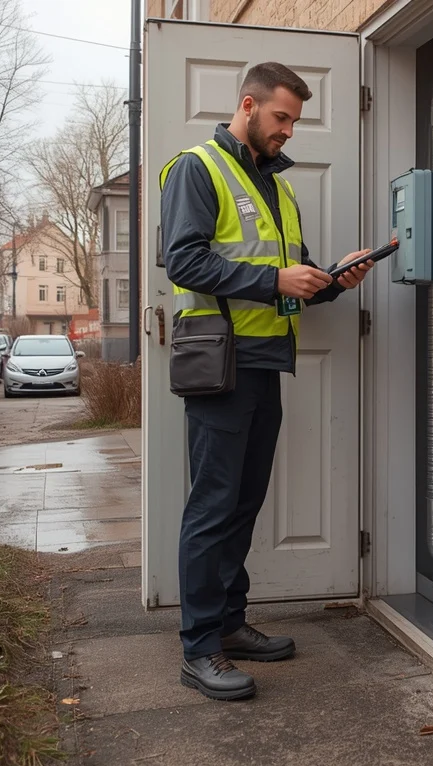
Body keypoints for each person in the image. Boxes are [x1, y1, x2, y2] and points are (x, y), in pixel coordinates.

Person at [159, 62, 374, 702]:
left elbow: (287, 281)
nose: (288, 131)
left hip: (263, 361)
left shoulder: (278, 189)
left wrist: (330, 281)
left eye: (294, 122)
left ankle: (228, 624)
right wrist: (276, 281)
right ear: (248, 106)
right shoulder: (198, 168)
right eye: (281, 118)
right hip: (219, 363)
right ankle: (199, 648)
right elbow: (186, 260)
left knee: (245, 501)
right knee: (213, 505)